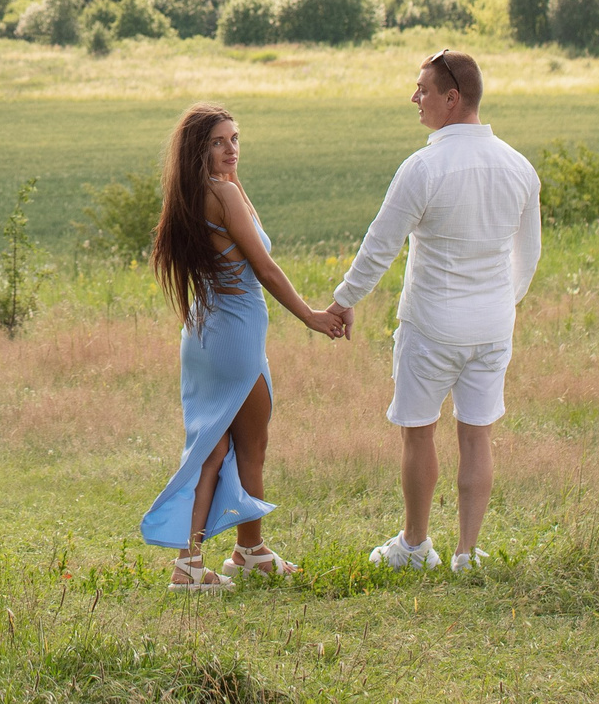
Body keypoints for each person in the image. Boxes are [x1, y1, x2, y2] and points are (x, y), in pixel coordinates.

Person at [323, 50, 540, 573]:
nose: (414, 98)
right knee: (477, 433)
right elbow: (527, 254)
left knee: (418, 431)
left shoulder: (423, 167)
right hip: (492, 327)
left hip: (431, 325)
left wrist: (344, 300)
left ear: (453, 98)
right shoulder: (519, 166)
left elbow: (381, 244)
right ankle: (467, 553)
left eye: (422, 89)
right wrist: (501, 303)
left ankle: (415, 546)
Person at [140, 103, 345, 590]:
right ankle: (189, 567)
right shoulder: (222, 194)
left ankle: (248, 551)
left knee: (236, 443)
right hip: (233, 335)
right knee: (228, 449)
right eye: (218, 142)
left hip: (207, 333)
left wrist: (231, 171)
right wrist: (312, 317)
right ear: (199, 150)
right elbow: (266, 269)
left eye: (235, 139)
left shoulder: (196, 194)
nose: (231, 149)